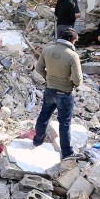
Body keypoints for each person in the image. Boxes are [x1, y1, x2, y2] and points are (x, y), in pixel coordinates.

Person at [33, 28, 83, 159]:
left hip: (49, 90)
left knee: (44, 116)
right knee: (64, 124)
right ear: (72, 40)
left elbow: (38, 68)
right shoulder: (72, 55)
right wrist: (73, 84)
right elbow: (78, 80)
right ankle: (66, 153)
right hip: (65, 93)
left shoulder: (48, 50)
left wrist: (48, 78)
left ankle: (37, 141)